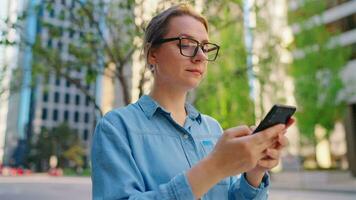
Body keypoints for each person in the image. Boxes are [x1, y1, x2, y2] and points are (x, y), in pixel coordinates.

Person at [91, 3, 294, 200]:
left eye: (205, 47)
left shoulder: (212, 128)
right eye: (186, 44)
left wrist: (255, 172)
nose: (200, 56)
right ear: (152, 54)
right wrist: (214, 167)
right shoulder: (116, 127)